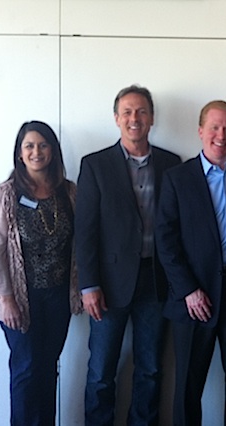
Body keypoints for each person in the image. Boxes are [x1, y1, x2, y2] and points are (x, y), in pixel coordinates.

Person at [76, 85, 181, 426]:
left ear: (151, 118)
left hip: (155, 282)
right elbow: (86, 231)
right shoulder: (95, 165)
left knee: (150, 369)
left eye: (141, 112)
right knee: (102, 371)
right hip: (108, 285)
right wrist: (88, 284)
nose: (134, 119)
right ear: (116, 119)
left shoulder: (171, 164)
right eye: (127, 112)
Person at [156, 100, 226, 426]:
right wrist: (189, 289)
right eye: (215, 127)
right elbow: (166, 240)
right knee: (189, 387)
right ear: (201, 131)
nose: (222, 135)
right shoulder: (177, 178)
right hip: (195, 295)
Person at [0, 121, 81, 425]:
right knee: (26, 370)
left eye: (42, 145)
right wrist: (7, 298)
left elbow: (81, 242)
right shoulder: (5, 195)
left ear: (52, 151)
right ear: (20, 154)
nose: (36, 151)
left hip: (57, 298)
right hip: (20, 300)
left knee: (48, 368)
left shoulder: (69, 192)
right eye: (29, 146)